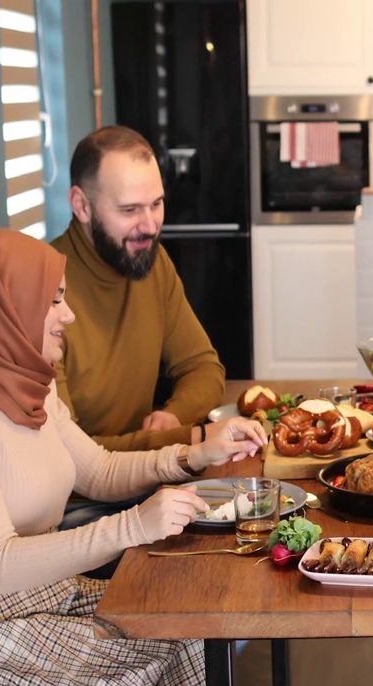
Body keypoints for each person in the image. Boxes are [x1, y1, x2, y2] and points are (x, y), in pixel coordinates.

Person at [0, 229, 267, 686]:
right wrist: (134, 525)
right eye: (52, 301)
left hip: (42, 592)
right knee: (163, 655)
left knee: (190, 623)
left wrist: (194, 454)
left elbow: (98, 470)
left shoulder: (29, 386)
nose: (68, 315)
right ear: (7, 308)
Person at [51, 125, 226, 453]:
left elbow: (203, 368)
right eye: (129, 210)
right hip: (78, 500)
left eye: (156, 204)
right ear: (81, 205)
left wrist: (174, 416)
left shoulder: (151, 261)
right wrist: (185, 439)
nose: (150, 226)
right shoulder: (43, 291)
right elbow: (69, 454)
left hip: (147, 471)